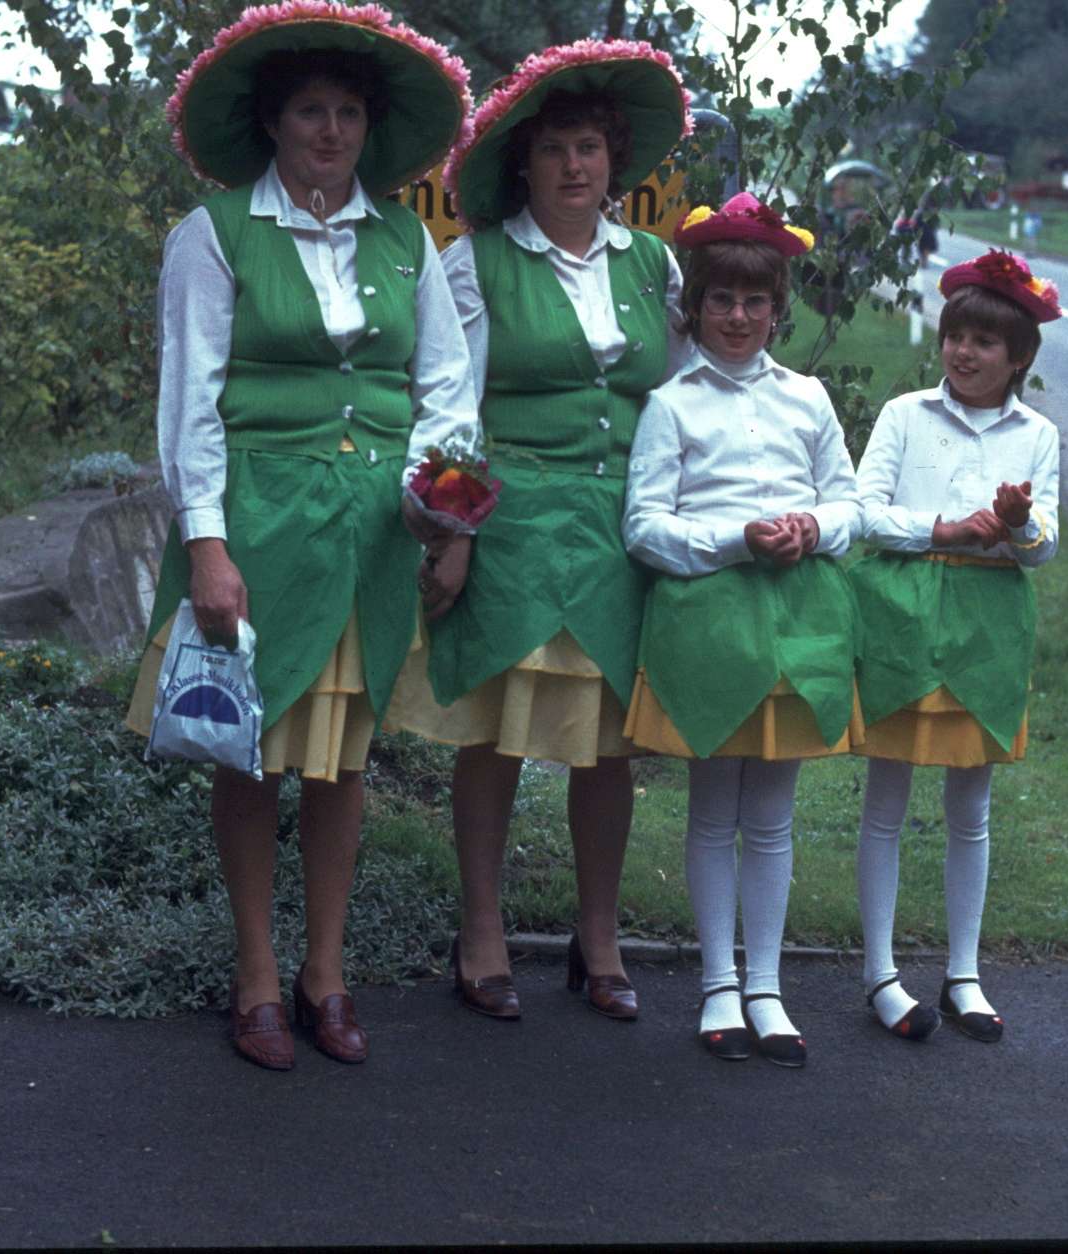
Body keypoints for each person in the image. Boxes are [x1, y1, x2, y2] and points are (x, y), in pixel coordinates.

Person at [125, 5, 477, 1070]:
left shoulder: (405, 239)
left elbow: (447, 388)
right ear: (273, 123)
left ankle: (326, 970)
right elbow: (190, 399)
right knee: (252, 751)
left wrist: (442, 510)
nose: (330, 132)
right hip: (262, 523)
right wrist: (207, 544)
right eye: (311, 112)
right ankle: (256, 973)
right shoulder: (216, 233)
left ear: (370, 128)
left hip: (374, 532)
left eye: (348, 114)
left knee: (341, 762)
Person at [383, 40, 691, 1021]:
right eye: (554, 148)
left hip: (622, 532)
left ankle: (598, 939)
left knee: (608, 745)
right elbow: (450, 406)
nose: (572, 166)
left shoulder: (653, 265)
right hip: (513, 527)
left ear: (614, 160)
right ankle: (481, 930)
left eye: (589, 147)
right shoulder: (476, 263)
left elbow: (681, 402)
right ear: (524, 163)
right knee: (497, 736)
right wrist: (456, 531)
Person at [622, 193, 863, 1066]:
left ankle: (766, 985)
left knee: (771, 811)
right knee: (713, 803)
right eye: (720, 300)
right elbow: (644, 528)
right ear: (694, 306)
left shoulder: (806, 397)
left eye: (754, 302)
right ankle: (718, 984)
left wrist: (811, 527)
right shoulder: (672, 404)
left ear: (776, 309)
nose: (736, 317)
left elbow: (850, 504)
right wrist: (734, 539)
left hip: (798, 616)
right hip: (709, 619)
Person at [849, 248, 1062, 1044]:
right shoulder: (906, 415)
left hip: (989, 619)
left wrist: (1018, 525)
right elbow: (864, 512)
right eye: (955, 337)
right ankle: (880, 972)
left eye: (984, 342)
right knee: (887, 797)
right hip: (905, 607)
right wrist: (940, 528)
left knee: (971, 804)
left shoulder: (1038, 435)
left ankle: (964, 971)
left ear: (1019, 357)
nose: (963, 353)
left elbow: (1043, 548)